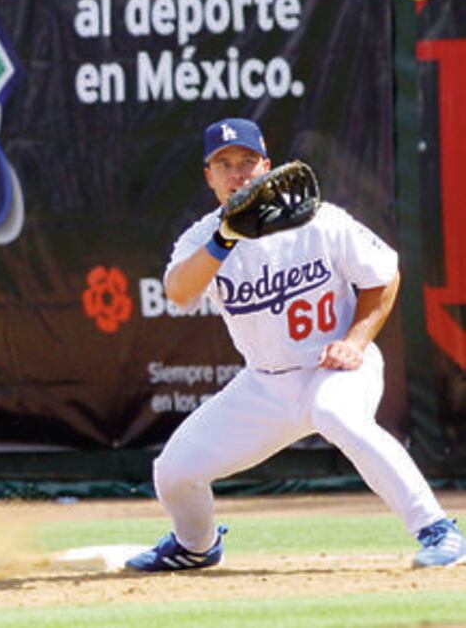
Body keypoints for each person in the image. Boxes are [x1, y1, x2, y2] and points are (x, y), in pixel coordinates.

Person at [125, 118, 466, 572]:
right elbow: (179, 291)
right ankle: (196, 545)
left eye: (247, 162)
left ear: (267, 167)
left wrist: (355, 341)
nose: (237, 173)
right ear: (208, 176)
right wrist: (226, 237)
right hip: (265, 385)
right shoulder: (203, 237)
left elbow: (384, 277)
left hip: (338, 369)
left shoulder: (318, 220)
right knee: (173, 471)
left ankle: (439, 530)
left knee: (334, 413)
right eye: (223, 164)